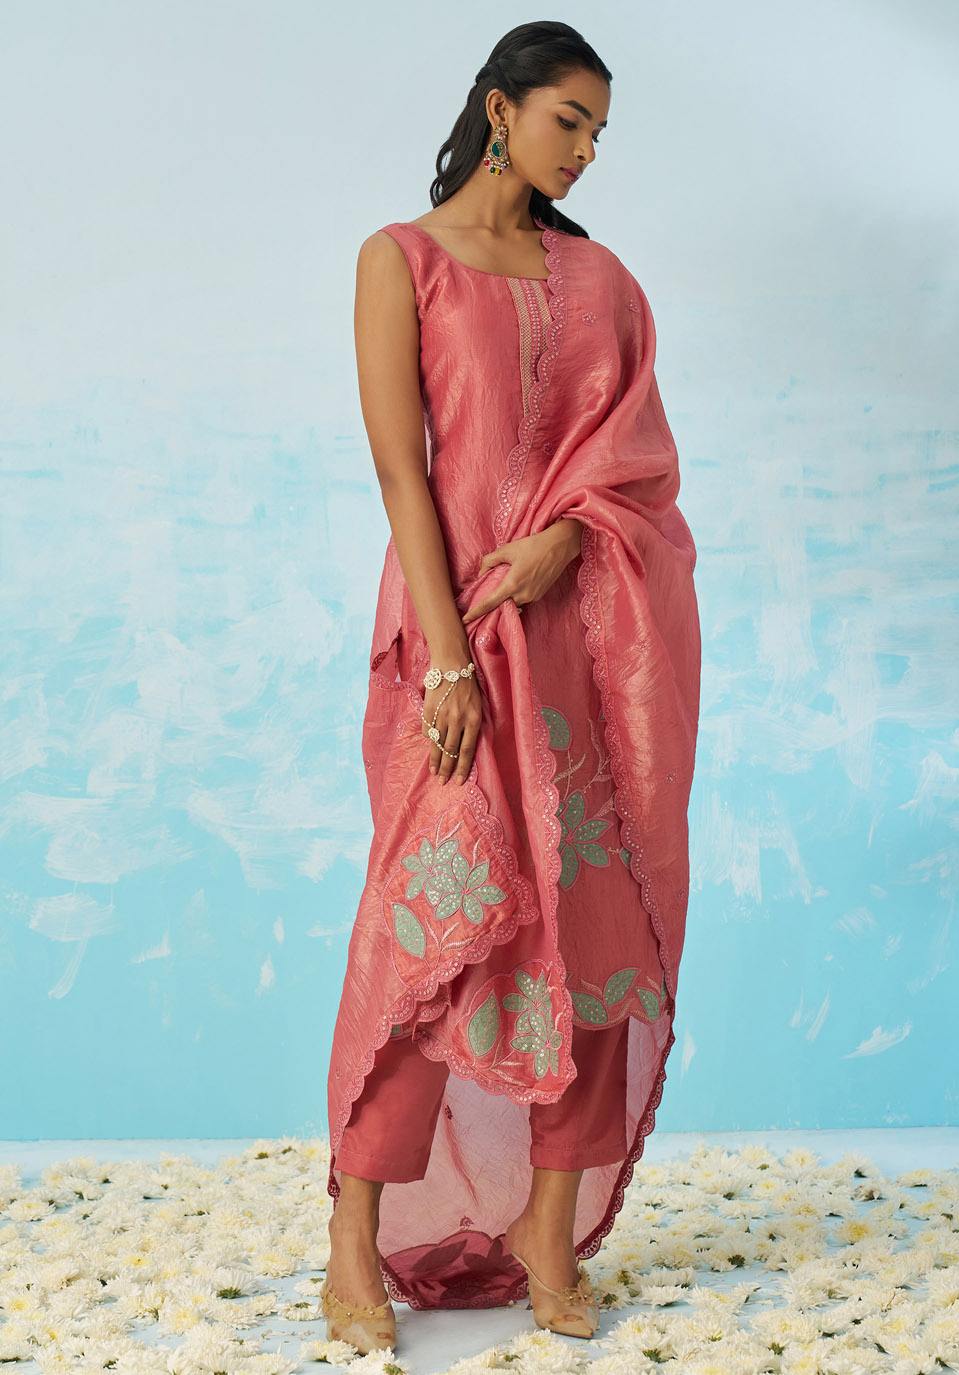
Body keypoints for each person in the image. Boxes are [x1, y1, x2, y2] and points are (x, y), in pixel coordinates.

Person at [321, 20, 701, 1355]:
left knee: (587, 937)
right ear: (500, 109)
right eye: (567, 120)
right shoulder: (402, 261)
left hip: (584, 653)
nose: (585, 151)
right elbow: (403, 473)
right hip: (457, 642)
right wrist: (445, 658)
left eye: (599, 132)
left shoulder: (603, 282)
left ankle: (548, 1229)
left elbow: (639, 469)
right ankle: (353, 1239)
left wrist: (570, 539)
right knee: (432, 932)